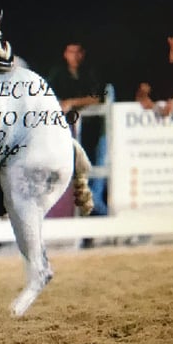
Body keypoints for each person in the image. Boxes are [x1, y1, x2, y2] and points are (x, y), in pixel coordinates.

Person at [47, 40, 109, 244]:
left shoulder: (91, 72)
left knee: (91, 181)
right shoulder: (57, 74)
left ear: (82, 54)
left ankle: (94, 228)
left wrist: (73, 102)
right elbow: (48, 99)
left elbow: (98, 98)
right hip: (64, 137)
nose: (74, 56)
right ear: (65, 54)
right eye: (70, 51)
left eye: (78, 52)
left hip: (93, 135)